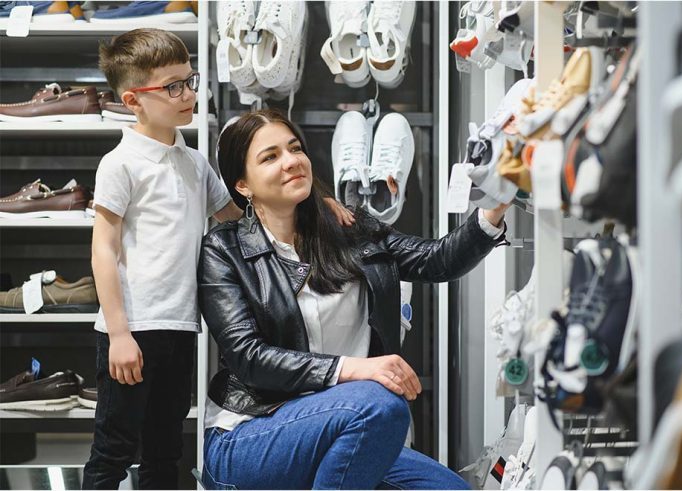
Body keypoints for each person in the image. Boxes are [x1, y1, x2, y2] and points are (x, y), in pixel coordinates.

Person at [83, 30, 351, 489]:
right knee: (114, 447)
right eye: (173, 87)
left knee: (167, 447)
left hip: (181, 327)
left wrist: (314, 202)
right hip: (132, 329)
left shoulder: (194, 161)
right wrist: (120, 333)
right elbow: (102, 248)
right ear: (133, 100)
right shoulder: (121, 163)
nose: (188, 94)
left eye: (189, 81)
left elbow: (242, 214)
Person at [198, 109, 511, 489]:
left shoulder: (349, 230)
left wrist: (498, 201)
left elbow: (437, 260)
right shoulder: (224, 249)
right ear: (243, 185)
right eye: (270, 157)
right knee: (380, 403)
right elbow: (249, 357)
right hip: (254, 432)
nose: (291, 162)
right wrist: (353, 369)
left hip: (350, 419)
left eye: (295, 149)